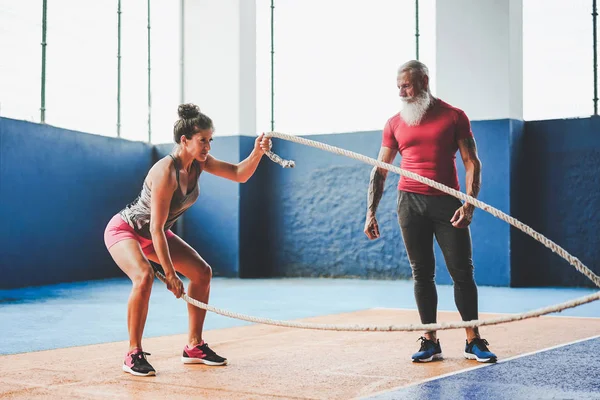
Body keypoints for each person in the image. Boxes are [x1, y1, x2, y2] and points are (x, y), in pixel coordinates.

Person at [104, 103, 272, 376]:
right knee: (144, 276)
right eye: (202, 140)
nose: (207, 146)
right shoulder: (164, 171)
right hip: (126, 230)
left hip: (155, 234)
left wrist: (257, 152)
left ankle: (194, 346)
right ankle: (132, 353)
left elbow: (239, 174)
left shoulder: (199, 164)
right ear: (185, 140)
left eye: (210, 140)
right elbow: (156, 228)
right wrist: (169, 274)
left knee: (201, 273)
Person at [363, 60, 497, 363]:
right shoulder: (394, 123)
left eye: (407, 85)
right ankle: (430, 340)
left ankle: (473, 340)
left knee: (462, 271)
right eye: (398, 86)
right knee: (421, 273)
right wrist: (370, 210)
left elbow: (471, 161)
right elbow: (380, 170)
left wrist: (469, 203)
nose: (402, 92)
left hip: (447, 203)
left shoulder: (454, 116)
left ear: (424, 81)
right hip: (409, 203)